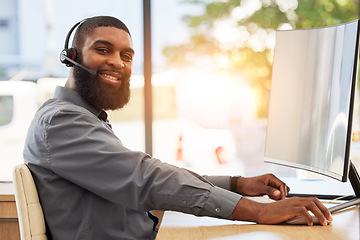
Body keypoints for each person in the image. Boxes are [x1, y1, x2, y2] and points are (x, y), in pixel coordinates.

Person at [23, 16, 332, 240]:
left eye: (126, 56)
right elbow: (146, 178)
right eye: (103, 50)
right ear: (71, 57)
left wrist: (238, 184)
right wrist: (260, 211)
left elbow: (152, 173)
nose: (118, 62)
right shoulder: (62, 122)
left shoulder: (86, 119)